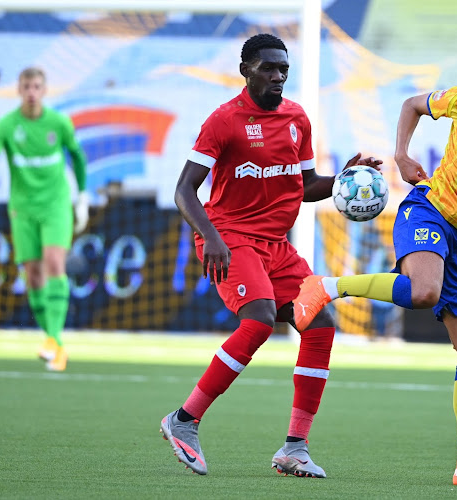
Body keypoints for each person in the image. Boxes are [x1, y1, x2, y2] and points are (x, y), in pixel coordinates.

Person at [293, 25, 457, 487]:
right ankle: (327, 286)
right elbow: (411, 104)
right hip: (429, 209)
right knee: (423, 291)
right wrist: (401, 154)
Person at [160, 33, 382, 478]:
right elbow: (184, 190)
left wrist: (341, 182)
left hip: (276, 247)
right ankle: (183, 421)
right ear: (246, 70)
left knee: (320, 322)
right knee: (259, 318)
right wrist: (212, 238)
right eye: (268, 68)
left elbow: (304, 186)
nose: (278, 76)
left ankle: (294, 448)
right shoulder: (224, 121)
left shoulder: (297, 118)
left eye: (283, 69)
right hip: (229, 238)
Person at [0, 67, 89, 372]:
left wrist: (83, 197)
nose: (32, 92)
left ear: (44, 90)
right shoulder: (7, 126)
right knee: (33, 275)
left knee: (54, 263)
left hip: (56, 205)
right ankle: (53, 341)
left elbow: (79, 157)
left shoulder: (58, 123)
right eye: (26, 87)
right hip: (22, 208)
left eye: (37, 86)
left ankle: (54, 339)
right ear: (19, 90)